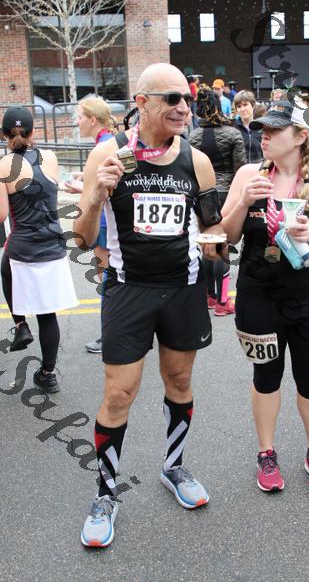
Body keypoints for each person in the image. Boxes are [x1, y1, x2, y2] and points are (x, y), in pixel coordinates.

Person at [74, 63, 224, 548]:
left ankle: (174, 467)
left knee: (179, 381)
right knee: (119, 394)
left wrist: (220, 244)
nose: (184, 107)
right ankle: (105, 494)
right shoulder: (109, 155)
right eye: (172, 98)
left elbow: (213, 230)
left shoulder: (197, 161)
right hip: (129, 290)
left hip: (182, 289)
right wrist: (95, 197)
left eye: (188, 98)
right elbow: (81, 237)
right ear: (141, 102)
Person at [222, 99, 309, 494]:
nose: (264, 136)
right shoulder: (249, 175)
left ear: (300, 137)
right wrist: (243, 201)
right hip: (258, 298)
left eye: (274, 130)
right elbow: (225, 237)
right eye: (262, 129)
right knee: (266, 376)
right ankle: (266, 452)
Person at [0, 107, 78, 392]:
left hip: (22, 246)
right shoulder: (50, 157)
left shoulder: (4, 165)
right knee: (47, 314)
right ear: (33, 132)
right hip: (52, 245)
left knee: (5, 267)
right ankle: (48, 374)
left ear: (4, 135)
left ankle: (20, 324)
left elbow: (1, 215)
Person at [65, 97, 115, 354]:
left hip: (104, 221)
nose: (77, 122)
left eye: (80, 117)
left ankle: (109, 335)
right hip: (106, 220)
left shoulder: (105, 145)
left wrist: (81, 188)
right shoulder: (107, 142)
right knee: (110, 277)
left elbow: (108, 185)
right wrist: (84, 179)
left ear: (93, 119)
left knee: (107, 279)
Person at [189, 87, 246, 315]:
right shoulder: (233, 134)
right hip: (226, 192)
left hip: (202, 194)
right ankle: (223, 302)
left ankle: (209, 296)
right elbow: (240, 169)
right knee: (223, 246)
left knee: (206, 243)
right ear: (219, 105)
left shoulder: (192, 137)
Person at [233, 90, 263, 164]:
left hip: (259, 168)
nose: (242, 109)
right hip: (240, 169)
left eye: (245, 105)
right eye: (239, 106)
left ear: (253, 106)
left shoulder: (262, 127)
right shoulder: (233, 128)